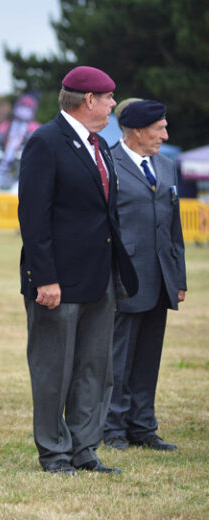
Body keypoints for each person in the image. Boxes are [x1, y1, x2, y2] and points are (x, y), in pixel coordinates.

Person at [18, 65, 137, 475]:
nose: (112, 104)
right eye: (108, 98)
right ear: (89, 100)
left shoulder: (100, 145)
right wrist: (44, 278)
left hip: (99, 278)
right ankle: (54, 452)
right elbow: (34, 218)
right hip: (59, 281)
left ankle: (85, 449)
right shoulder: (46, 142)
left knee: (95, 369)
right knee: (54, 370)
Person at [104, 99, 186, 451]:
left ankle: (142, 426)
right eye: (159, 129)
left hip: (161, 277)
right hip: (125, 278)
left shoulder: (166, 166)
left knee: (149, 356)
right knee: (118, 357)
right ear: (137, 131)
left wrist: (179, 278)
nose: (165, 135)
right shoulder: (108, 163)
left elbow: (174, 226)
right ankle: (113, 428)